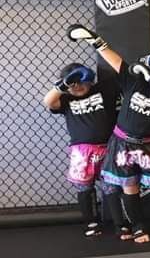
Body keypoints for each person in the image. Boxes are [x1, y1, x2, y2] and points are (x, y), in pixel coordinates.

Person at [67, 24, 150, 243]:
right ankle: (138, 227)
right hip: (123, 143)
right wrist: (94, 40)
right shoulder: (135, 83)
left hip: (149, 145)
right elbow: (115, 60)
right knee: (129, 186)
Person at [43, 62, 127, 238]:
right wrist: (64, 84)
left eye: (81, 82)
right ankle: (91, 222)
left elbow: (121, 75)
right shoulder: (66, 99)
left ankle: (120, 224)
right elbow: (48, 101)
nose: (78, 87)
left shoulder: (102, 90)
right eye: (73, 85)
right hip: (81, 151)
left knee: (111, 186)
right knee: (84, 187)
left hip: (108, 146)